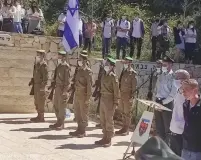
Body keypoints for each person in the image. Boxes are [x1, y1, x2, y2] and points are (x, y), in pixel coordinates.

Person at [95, 57, 120, 147]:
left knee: (109, 119)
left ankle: (108, 138)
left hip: (110, 100)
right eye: (106, 64)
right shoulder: (104, 75)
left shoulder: (113, 77)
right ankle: (104, 136)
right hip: (103, 99)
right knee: (102, 119)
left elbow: (116, 92)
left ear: (112, 67)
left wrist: (115, 103)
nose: (106, 66)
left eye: (108, 65)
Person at [69, 50, 92, 138]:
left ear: (85, 61)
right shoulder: (79, 70)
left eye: (81, 59)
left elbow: (89, 87)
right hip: (77, 94)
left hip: (83, 95)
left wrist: (87, 98)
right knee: (77, 112)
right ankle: (78, 129)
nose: (79, 61)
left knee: (83, 113)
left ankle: (83, 131)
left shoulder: (87, 71)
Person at [154, 55, 177, 142]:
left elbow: (173, 94)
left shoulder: (173, 77)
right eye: (162, 65)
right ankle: (160, 146)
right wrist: (155, 101)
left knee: (167, 127)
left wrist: (163, 102)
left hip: (167, 103)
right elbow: (156, 89)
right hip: (158, 101)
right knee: (159, 126)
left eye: (165, 65)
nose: (163, 66)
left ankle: (167, 148)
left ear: (170, 65)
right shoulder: (160, 75)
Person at [169, 70, 190, 156]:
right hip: (174, 129)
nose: (175, 80)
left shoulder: (188, 95)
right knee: (173, 153)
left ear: (184, 80)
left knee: (179, 154)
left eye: (177, 78)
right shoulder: (178, 91)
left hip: (182, 131)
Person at [49, 51, 71, 130]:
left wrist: (65, 91)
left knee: (62, 107)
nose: (58, 57)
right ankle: (58, 121)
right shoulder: (59, 66)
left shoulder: (66, 67)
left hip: (62, 89)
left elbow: (67, 81)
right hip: (57, 87)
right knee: (56, 105)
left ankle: (61, 123)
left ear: (64, 57)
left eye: (60, 56)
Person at [115, 56, 137, 136]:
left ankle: (126, 129)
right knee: (123, 112)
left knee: (127, 113)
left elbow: (134, 87)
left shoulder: (133, 73)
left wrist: (132, 97)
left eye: (126, 62)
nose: (125, 63)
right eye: (125, 62)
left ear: (130, 63)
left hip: (128, 96)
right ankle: (123, 128)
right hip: (122, 94)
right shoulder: (124, 72)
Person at [181, 79, 201, 160]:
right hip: (186, 146)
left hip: (198, 148)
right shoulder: (185, 104)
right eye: (182, 90)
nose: (183, 92)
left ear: (195, 90)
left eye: (186, 90)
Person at [29, 50, 48, 122]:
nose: (37, 56)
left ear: (43, 55)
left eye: (39, 54)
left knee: (41, 102)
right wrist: (32, 80)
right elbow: (35, 74)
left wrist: (42, 87)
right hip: (36, 85)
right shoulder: (37, 64)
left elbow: (45, 78)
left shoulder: (44, 65)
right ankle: (38, 115)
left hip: (40, 86)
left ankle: (41, 117)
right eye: (37, 54)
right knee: (36, 101)